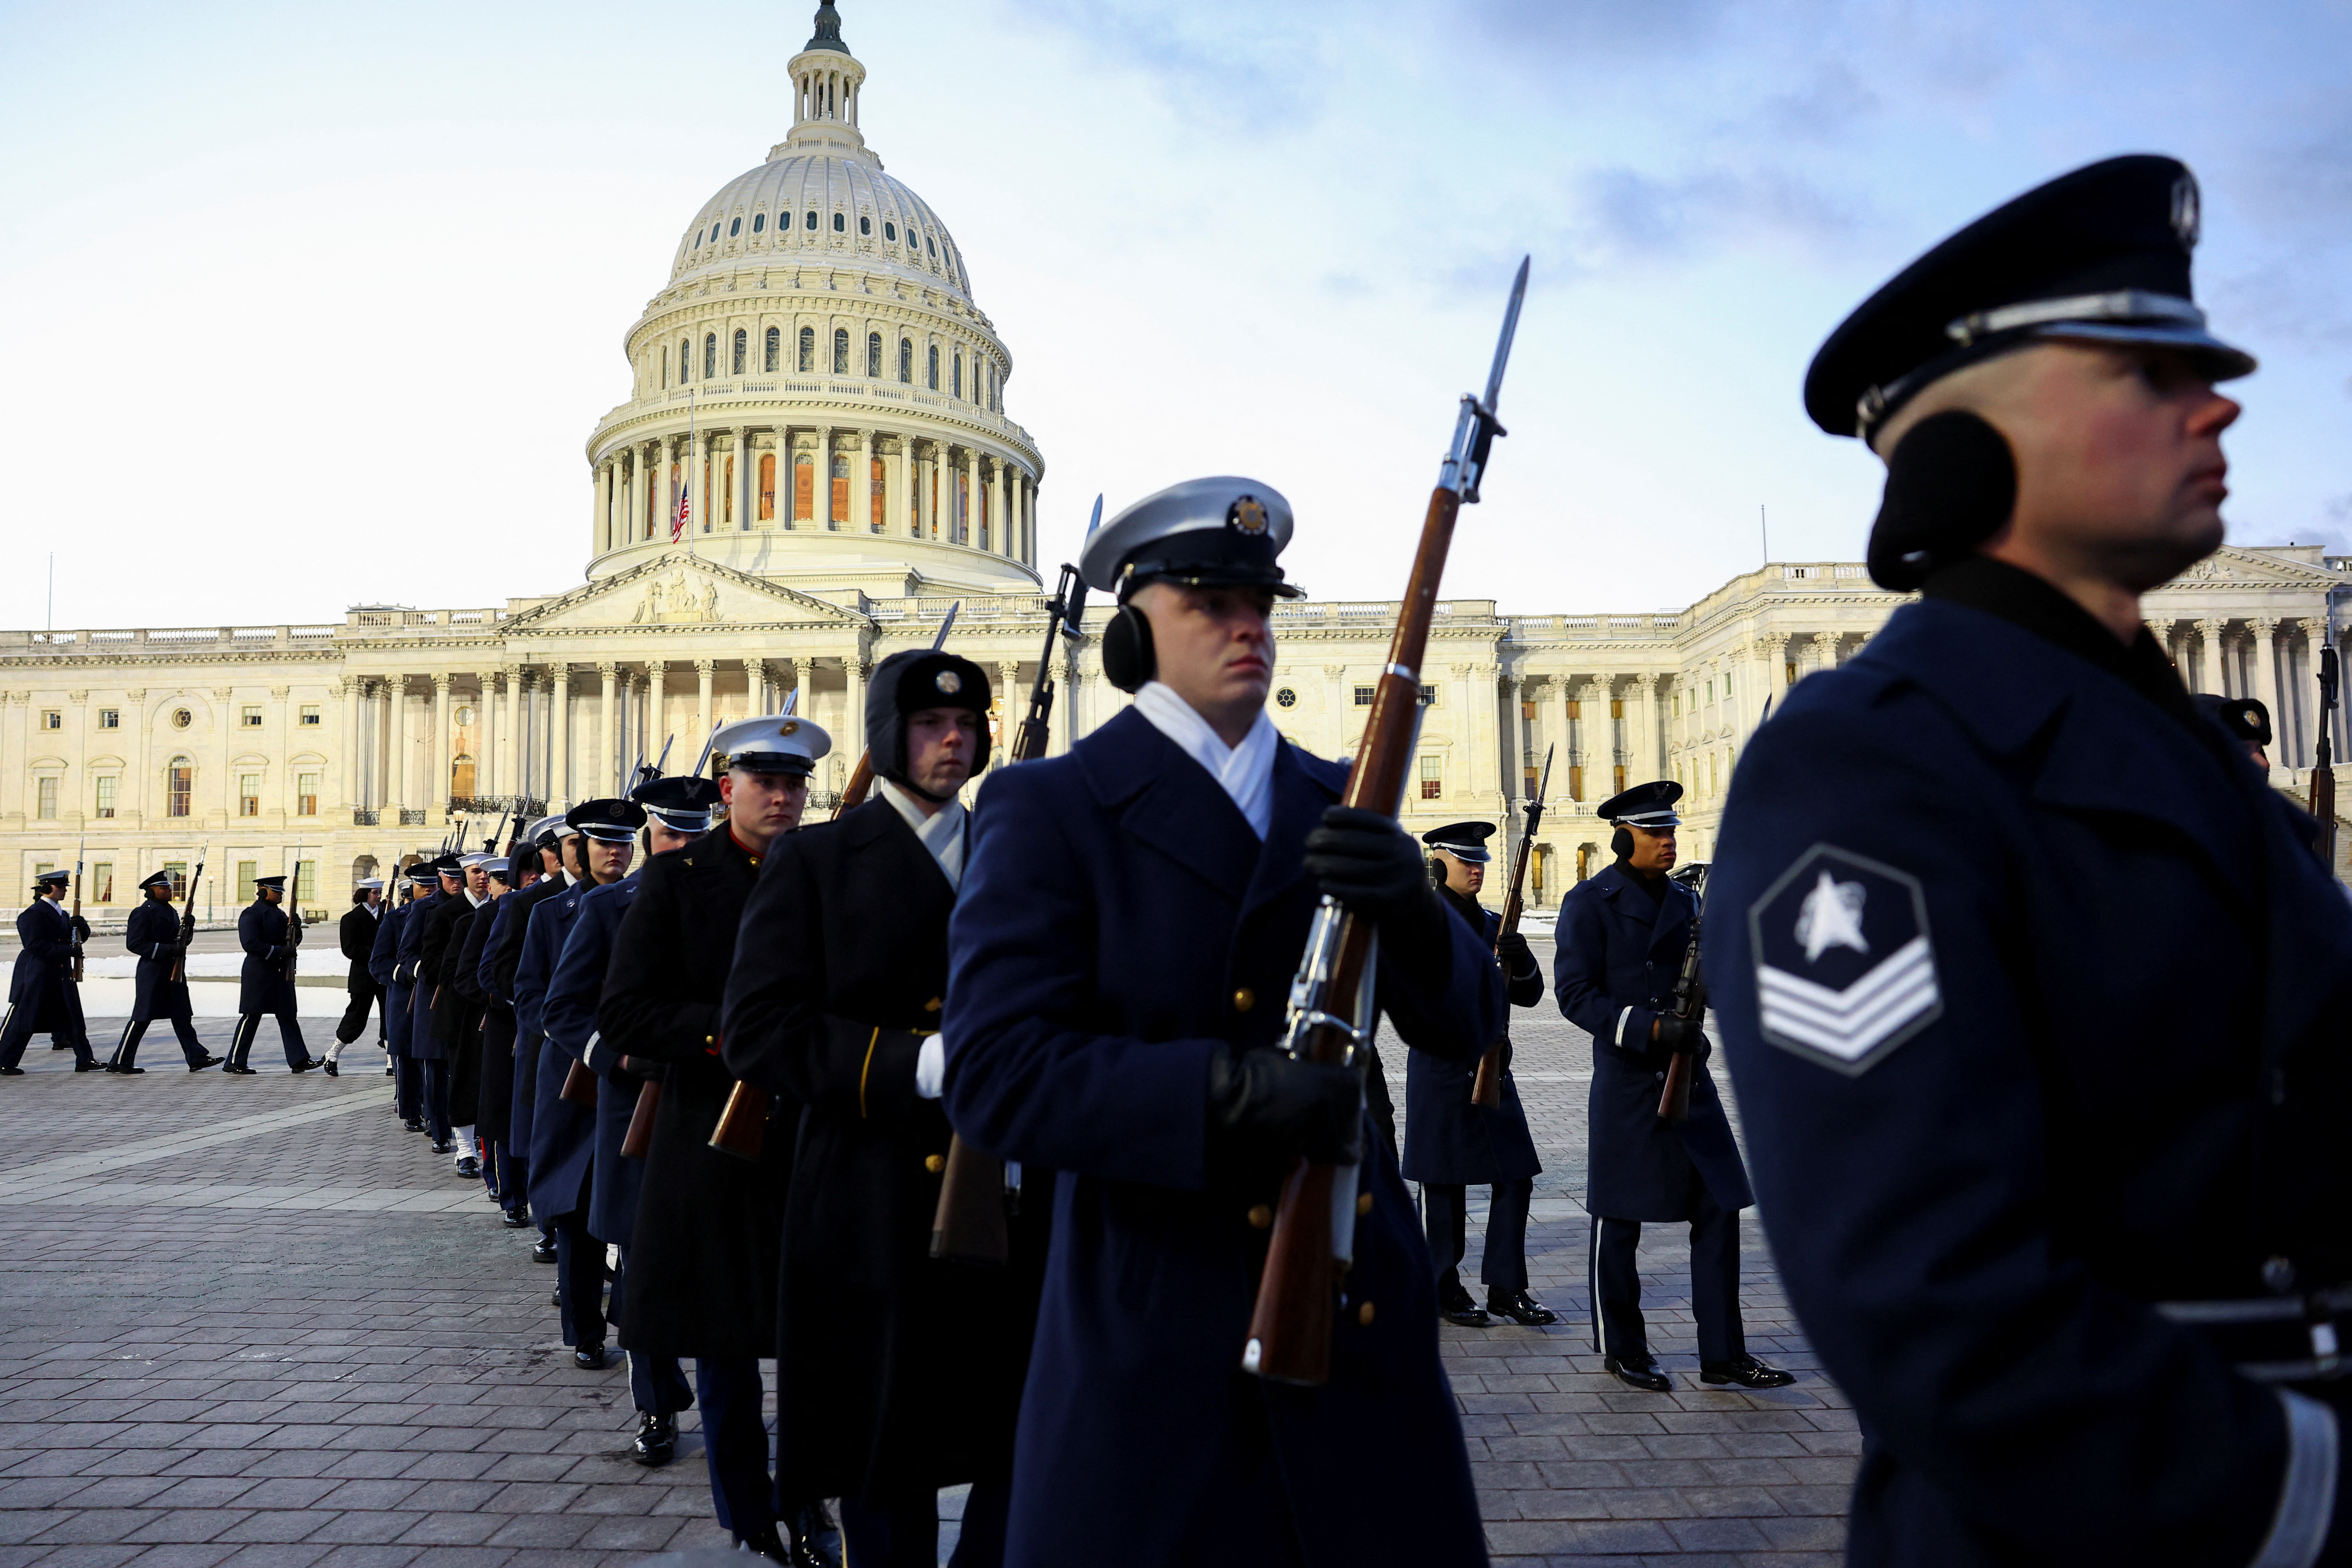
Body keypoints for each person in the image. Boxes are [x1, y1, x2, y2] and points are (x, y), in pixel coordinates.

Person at [1707, 154, 2352, 1565]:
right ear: (1969, 437)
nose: (2220, 397)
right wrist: (2309, 1486)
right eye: (2142, 368)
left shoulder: (2188, 757)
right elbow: (1929, 1302)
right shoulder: (1866, 768)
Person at [940, 477, 1505, 1567]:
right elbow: (999, 1072)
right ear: (1133, 629)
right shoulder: (1053, 808)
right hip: (1157, 1326)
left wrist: (1419, 912)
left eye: (1262, 602)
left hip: (1354, 1317)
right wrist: (1225, 1093)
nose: (1249, 626)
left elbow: (1465, 1021)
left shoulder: (1341, 800)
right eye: (1210, 600)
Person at [725, 654, 1045, 1568]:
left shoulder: (1016, 853)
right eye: (927, 724)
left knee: (1015, 1434)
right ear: (882, 736)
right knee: (882, 1449)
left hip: (1008, 1190)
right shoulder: (818, 859)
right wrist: (915, 1062)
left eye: (968, 724)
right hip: (871, 1194)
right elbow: (760, 1031)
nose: (953, 739)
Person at [606, 721, 833, 1566]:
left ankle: (810, 1501)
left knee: (816, 1342)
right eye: (763, 781)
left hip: (811, 1136)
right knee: (727, 1342)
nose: (781, 797)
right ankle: (749, 1511)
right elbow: (626, 1011)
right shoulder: (675, 882)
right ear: (728, 787)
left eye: (795, 783)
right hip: (713, 1138)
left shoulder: (828, 873)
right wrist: (732, 1034)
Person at [1553, 782, 1789, 1392]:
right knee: (1620, 1220)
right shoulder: (1590, 903)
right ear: (1623, 837)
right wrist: (1656, 1028)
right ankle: (1624, 1348)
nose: (1669, 842)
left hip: (1690, 1083)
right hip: (1631, 1084)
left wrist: (1704, 1030)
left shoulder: (1688, 902)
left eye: (1672, 833)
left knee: (1719, 1206)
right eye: (1656, 833)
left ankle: (1723, 1353)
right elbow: (1576, 997)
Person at [541, 776, 714, 1474]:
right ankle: (656, 1405)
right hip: (637, 1113)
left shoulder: (743, 906)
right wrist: (620, 1059)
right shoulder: (611, 909)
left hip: (719, 1114)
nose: (682, 849)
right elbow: (563, 1008)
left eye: (695, 837)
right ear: (650, 838)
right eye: (671, 836)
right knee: (643, 1270)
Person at [1402, 822, 1552, 1328]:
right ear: (1439, 863)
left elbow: (1529, 994)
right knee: (1443, 1184)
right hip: (1442, 1070)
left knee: (1517, 1176)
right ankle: (1442, 1284)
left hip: (1493, 1067)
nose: (1476, 868)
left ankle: (1507, 1287)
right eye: (1465, 860)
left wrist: (1520, 956)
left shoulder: (1494, 923)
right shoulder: (1420, 921)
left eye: (1481, 861)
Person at [520, 799, 640, 1371]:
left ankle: (635, 1321)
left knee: (633, 1203)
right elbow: (531, 996)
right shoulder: (550, 913)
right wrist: (583, 1045)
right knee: (575, 1207)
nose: (615, 853)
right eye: (604, 844)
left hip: (634, 1079)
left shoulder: (644, 905)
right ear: (583, 849)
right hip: (574, 1077)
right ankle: (585, 1329)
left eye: (624, 844)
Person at [494, 817, 579, 1259]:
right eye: (573, 843)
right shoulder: (531, 904)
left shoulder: (634, 898)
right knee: (551, 1141)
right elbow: (503, 972)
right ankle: (552, 1227)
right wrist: (552, 1019)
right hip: (549, 1043)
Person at [466, 836, 541, 1223]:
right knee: (506, 1116)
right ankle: (511, 1195)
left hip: (547, 1030)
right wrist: (521, 1000)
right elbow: (485, 974)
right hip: (508, 1027)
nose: (534, 878)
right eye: (527, 873)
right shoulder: (507, 908)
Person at [109, 870, 219, 1073]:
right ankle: (120, 1061)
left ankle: (196, 1057)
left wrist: (189, 929)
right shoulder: (143, 912)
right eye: (164, 888)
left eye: (169, 887)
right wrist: (168, 950)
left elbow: (180, 942)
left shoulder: (171, 911)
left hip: (173, 970)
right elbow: (135, 944)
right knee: (142, 1017)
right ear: (152, 891)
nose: (169, 890)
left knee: (182, 1015)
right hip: (153, 971)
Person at [429, 852, 496, 1176]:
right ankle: (465, 1150)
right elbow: (434, 965)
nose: (483, 878)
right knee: (464, 1082)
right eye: (476, 872)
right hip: (461, 1013)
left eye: (489, 873)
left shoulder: (504, 913)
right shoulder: (448, 915)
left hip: (494, 1013)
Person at [0, 869, 96, 1074]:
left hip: (60, 972)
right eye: (60, 887)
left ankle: (85, 1059)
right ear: (47, 889)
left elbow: (76, 939)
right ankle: (5, 1060)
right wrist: (68, 951)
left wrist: (83, 927)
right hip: (39, 973)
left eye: (64, 887)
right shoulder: (32, 914)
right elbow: (35, 945)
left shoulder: (62, 914)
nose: (64, 891)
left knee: (73, 1017)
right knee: (24, 1020)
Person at [225, 873, 320, 1076]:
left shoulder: (279, 915)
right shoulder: (251, 914)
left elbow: (290, 942)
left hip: (279, 972)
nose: (280, 895)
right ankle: (235, 1061)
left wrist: (296, 928)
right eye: (276, 891)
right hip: (259, 972)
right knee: (251, 1016)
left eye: (281, 892)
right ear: (263, 891)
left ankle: (299, 1059)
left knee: (288, 1016)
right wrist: (278, 952)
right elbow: (250, 944)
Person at [411, 853, 474, 1152]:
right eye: (451, 878)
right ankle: (439, 1130)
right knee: (436, 1070)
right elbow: (414, 955)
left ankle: (468, 1131)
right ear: (441, 878)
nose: (456, 883)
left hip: (469, 999)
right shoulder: (427, 910)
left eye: (461, 877)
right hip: (437, 996)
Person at [391, 859, 447, 1123]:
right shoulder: (396, 918)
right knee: (410, 1059)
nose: (428, 890)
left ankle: (434, 1114)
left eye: (431, 885)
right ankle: (414, 1111)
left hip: (437, 994)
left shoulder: (447, 910)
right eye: (422, 886)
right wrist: (412, 974)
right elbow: (380, 960)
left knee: (436, 1060)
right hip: (408, 995)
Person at [327, 877, 386, 1077]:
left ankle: (391, 1062)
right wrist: (377, 951)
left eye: (380, 893)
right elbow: (350, 949)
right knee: (357, 1019)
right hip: (363, 977)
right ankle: (333, 1053)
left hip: (385, 975)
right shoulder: (350, 919)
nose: (379, 897)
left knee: (390, 1018)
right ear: (364, 895)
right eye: (375, 893)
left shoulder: (387, 917)